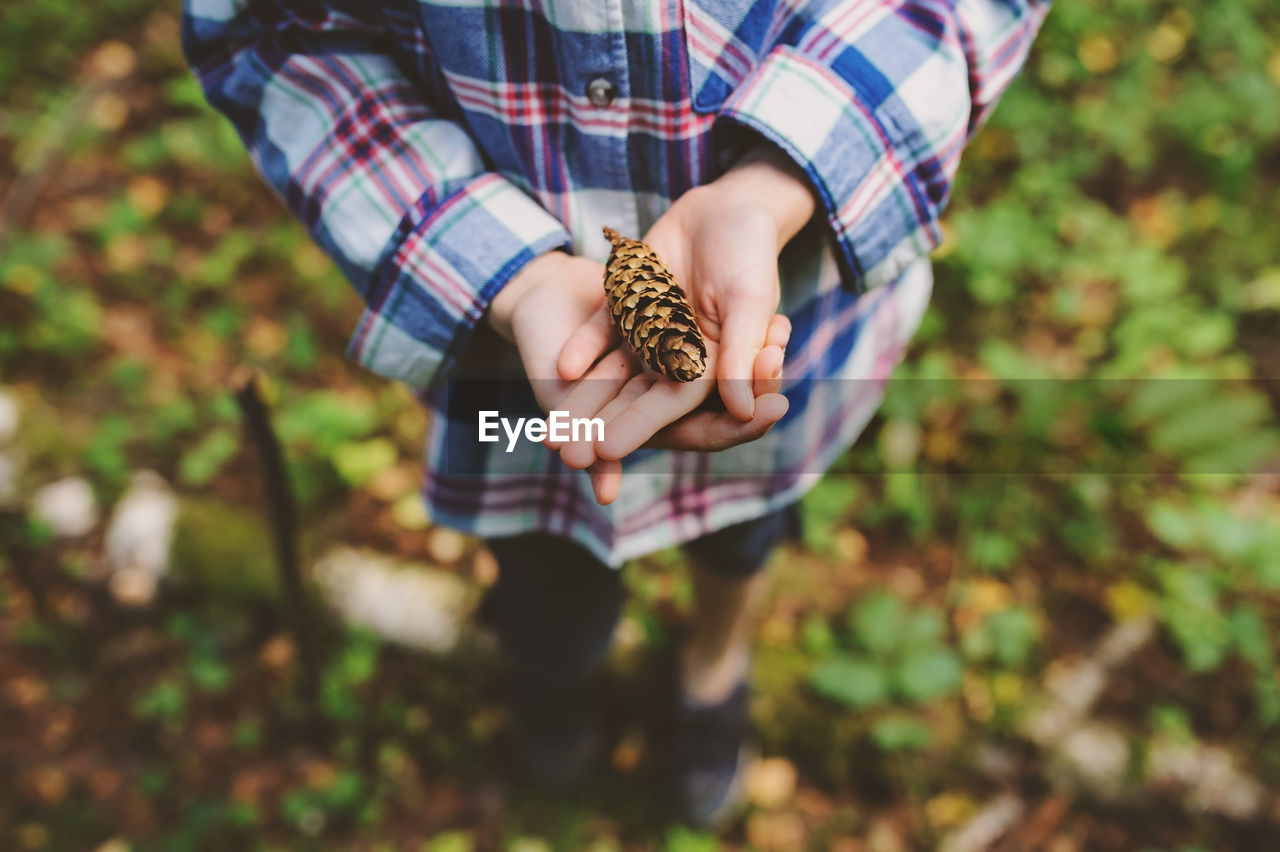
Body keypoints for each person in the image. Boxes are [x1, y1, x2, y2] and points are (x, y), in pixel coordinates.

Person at [183, 0, 1049, 828]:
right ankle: (552, 682)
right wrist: (505, 273)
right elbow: (277, 30)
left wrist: (775, 182)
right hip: (512, 372)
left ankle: (712, 668)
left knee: (744, 527)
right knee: (542, 567)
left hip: (787, 318)